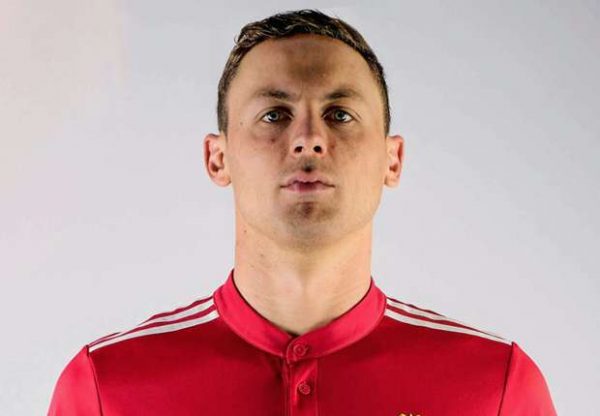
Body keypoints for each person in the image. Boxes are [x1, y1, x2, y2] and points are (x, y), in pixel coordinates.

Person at [48, 9, 557, 415]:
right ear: (218, 158)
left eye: (340, 114)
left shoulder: (497, 387)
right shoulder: (105, 387)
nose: (309, 139)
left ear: (392, 159)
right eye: (275, 114)